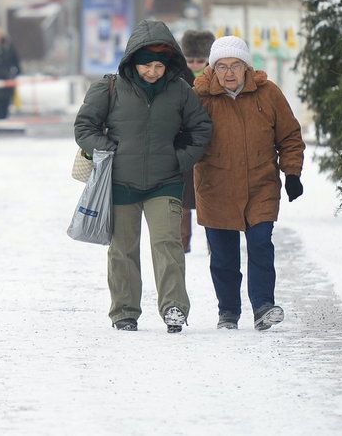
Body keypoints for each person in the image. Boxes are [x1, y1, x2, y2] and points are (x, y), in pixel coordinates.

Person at [75, 19, 213, 333]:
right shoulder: (109, 87)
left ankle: (174, 308)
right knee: (123, 249)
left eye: (159, 66)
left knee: (168, 243)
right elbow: (84, 127)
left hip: (165, 182)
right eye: (146, 66)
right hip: (121, 182)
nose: (152, 72)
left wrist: (180, 159)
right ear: (132, 61)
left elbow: (201, 129)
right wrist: (108, 148)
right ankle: (124, 311)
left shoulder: (181, 90)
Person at [192, 35, 305, 331]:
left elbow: (290, 136)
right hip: (215, 187)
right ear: (213, 69)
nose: (229, 73)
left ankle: (263, 306)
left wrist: (291, 173)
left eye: (235, 65)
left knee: (260, 245)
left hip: (260, 185)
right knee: (224, 256)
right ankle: (228, 311)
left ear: (246, 67)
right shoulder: (200, 97)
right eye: (222, 67)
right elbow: (184, 137)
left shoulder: (268, 94)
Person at [177, 30, 216, 253]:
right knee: (183, 198)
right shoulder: (177, 76)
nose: (194, 64)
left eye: (199, 60)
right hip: (184, 143)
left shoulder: (216, 76)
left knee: (209, 197)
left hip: (210, 145)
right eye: (190, 60)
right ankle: (183, 242)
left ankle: (214, 243)